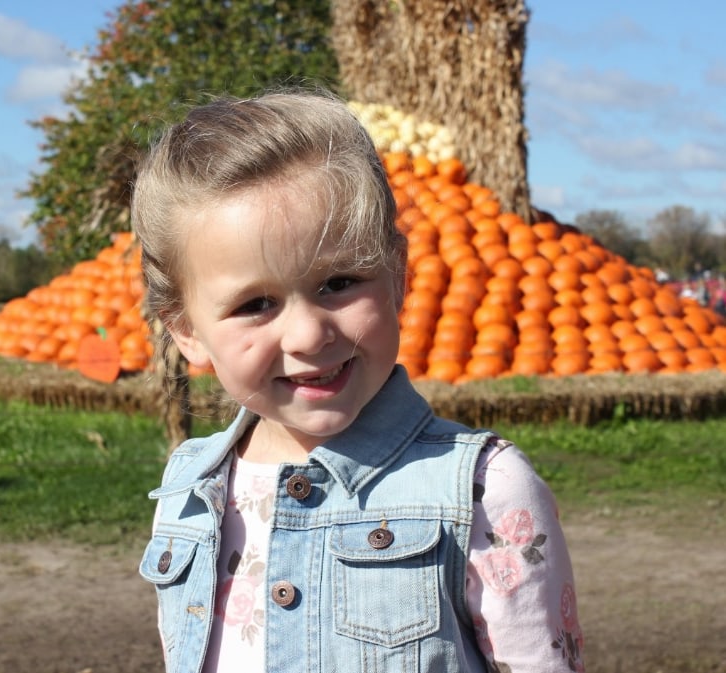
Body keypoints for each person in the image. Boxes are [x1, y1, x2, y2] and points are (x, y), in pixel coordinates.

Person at [133, 90, 584, 673]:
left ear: (396, 274)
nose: (306, 334)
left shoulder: (485, 492)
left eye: (340, 282)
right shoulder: (190, 487)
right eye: (256, 304)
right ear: (187, 331)